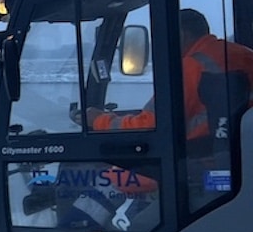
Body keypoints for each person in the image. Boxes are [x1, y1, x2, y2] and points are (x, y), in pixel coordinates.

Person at [87, 8, 253, 136]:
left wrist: (99, 120)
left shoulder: (192, 66)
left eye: (163, 37)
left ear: (181, 35)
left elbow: (153, 125)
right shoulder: (243, 53)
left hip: (203, 157)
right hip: (237, 148)